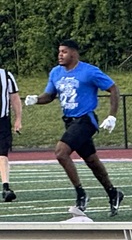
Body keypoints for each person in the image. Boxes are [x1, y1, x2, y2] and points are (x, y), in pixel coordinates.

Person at [24, 39, 125, 215]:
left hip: (85, 120)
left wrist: (112, 116)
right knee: (92, 161)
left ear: (74, 53)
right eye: (59, 51)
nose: (60, 55)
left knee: (61, 152)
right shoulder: (56, 72)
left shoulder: (89, 71)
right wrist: (36, 99)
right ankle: (113, 192)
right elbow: (50, 95)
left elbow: (113, 88)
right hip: (70, 121)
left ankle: (81, 194)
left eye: (64, 51)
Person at [0, 62, 22, 202]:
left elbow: (14, 98)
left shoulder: (6, 75)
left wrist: (18, 119)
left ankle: (6, 187)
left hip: (2, 121)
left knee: (2, 154)